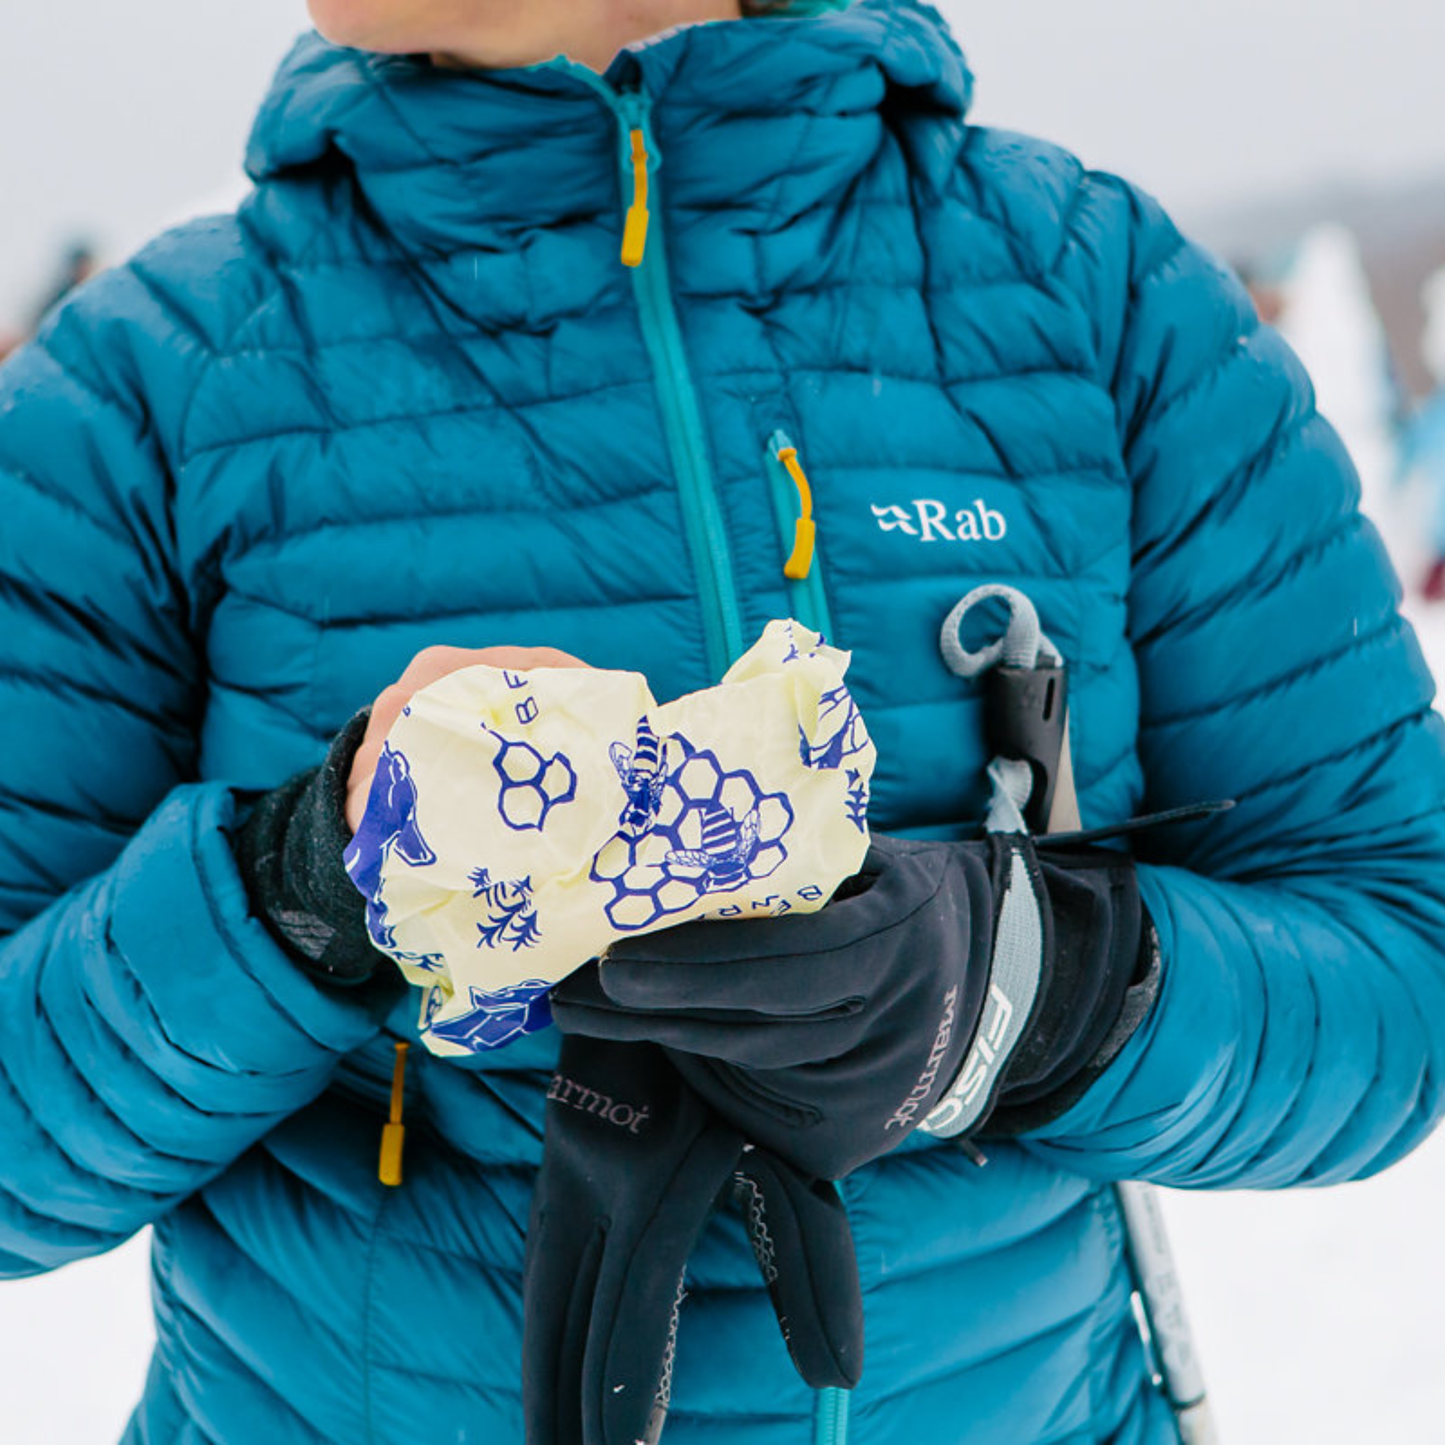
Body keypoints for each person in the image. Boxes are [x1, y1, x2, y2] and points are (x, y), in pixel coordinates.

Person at [3, 3, 1444, 1443]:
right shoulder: (151, 378)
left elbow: (1402, 970)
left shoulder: (1094, 298)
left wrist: (1021, 990)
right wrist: (298, 890)